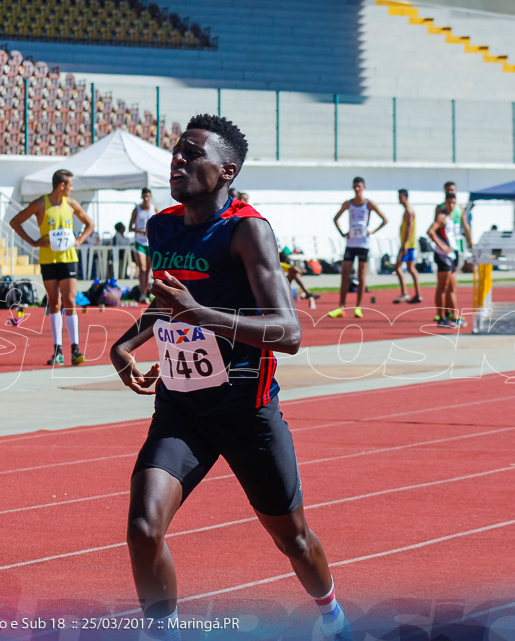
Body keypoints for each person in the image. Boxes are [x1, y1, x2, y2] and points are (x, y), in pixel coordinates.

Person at [109, 115, 352, 641]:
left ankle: (333, 618)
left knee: (295, 541)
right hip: (182, 410)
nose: (178, 159)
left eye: (192, 153)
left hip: (247, 410)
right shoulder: (162, 227)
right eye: (176, 151)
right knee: (143, 527)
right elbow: (166, 305)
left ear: (226, 170)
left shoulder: (248, 230)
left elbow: (287, 333)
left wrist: (201, 313)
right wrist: (124, 345)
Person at [10, 169, 94, 366]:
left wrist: (80, 240)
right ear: (62, 186)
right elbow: (15, 221)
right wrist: (33, 242)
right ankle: (57, 351)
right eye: (70, 186)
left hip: (68, 258)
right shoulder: (41, 204)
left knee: (70, 300)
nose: (72, 190)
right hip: (48, 259)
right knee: (54, 302)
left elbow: (90, 224)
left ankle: (75, 349)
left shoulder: (71, 204)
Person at [327, 177, 388, 319]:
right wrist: (343, 233)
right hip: (351, 244)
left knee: (361, 275)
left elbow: (384, 220)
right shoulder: (349, 204)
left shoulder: (369, 204)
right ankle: (341, 306)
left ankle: (358, 307)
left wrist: (372, 231)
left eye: (359, 186)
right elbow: (336, 218)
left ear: (364, 187)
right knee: (345, 275)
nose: (357, 189)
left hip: (363, 244)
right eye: (355, 186)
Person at [432, 182, 473, 322]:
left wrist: (470, 242)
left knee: (450, 286)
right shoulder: (441, 211)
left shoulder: (458, 209)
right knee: (445, 286)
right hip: (444, 253)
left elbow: (465, 225)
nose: (451, 205)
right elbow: (433, 230)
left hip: (454, 250)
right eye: (448, 190)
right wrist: (441, 246)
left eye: (453, 190)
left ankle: (449, 314)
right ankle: (444, 315)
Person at [129, 187, 159, 302]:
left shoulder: (154, 209)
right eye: (144, 196)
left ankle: (148, 293)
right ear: (142, 197)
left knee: (150, 269)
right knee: (142, 268)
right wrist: (140, 230)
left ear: (150, 197)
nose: (146, 199)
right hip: (140, 242)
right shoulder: (137, 209)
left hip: (151, 242)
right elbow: (130, 227)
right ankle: (142, 293)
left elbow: (160, 224)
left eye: (148, 196)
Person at [393, 189, 422, 304]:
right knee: (411, 269)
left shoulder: (409, 211)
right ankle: (418, 293)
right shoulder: (407, 210)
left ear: (405, 197)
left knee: (397, 267)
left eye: (400, 197)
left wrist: (405, 243)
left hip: (407, 245)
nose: (399, 199)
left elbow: (410, 227)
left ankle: (404, 292)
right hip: (409, 244)